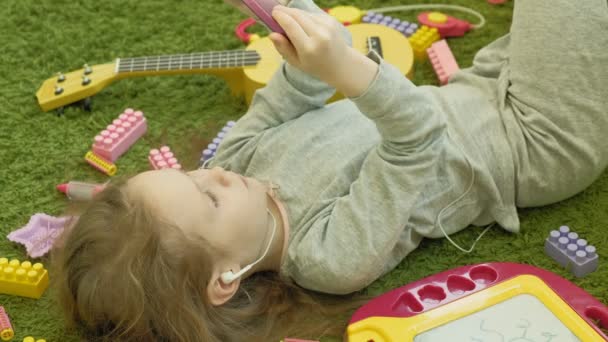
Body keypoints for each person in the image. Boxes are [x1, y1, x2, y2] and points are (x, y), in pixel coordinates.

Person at [52, 0, 608, 341]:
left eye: (193, 176)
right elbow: (417, 139)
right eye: (209, 199)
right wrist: (345, 65)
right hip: (536, 137)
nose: (213, 175)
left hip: (483, 82)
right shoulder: (327, 258)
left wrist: (286, 14)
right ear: (224, 278)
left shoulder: (234, 164)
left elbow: (300, 84)